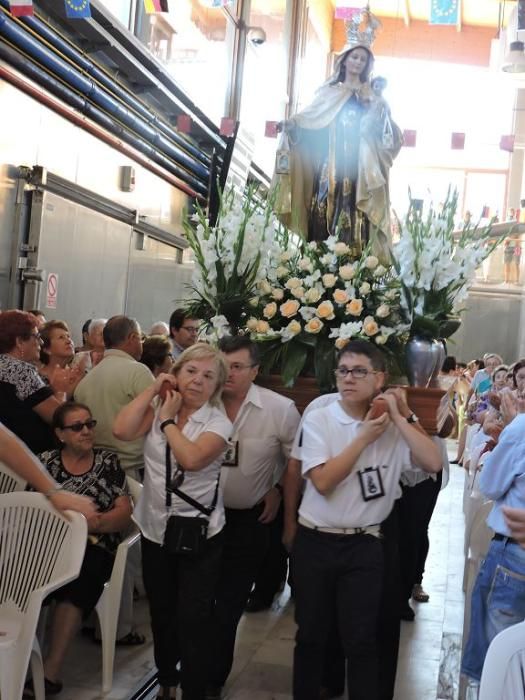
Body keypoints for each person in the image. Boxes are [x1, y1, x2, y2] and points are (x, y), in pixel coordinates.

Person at [292, 340, 441, 700]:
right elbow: (324, 481)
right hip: (316, 541)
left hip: (365, 545)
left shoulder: (393, 425)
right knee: (311, 636)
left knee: (362, 639)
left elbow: (432, 463)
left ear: (379, 378)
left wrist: (402, 414)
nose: (348, 378)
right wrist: (362, 439)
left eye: (360, 371)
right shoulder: (321, 416)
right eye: (343, 370)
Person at [113, 343, 231, 700]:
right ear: (176, 373)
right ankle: (166, 680)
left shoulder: (218, 422)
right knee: (162, 614)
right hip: (155, 529)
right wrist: (153, 390)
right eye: (191, 371)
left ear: (217, 386)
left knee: (193, 619)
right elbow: (121, 430)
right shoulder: (157, 405)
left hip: (199, 534)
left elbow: (192, 458)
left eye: (208, 376)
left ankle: (193, 690)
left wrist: (167, 422)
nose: (198, 380)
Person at [207, 336, 300, 699]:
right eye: (223, 364)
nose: (228, 373)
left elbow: (295, 464)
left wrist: (277, 490)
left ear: (255, 370)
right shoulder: (201, 403)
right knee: (199, 601)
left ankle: (212, 679)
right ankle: (191, 666)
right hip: (200, 517)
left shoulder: (280, 409)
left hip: (248, 521)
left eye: (238, 366)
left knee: (229, 603)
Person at [273, 11, 402, 252]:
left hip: (359, 171)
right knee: (323, 208)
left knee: (355, 214)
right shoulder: (329, 92)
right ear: (344, 59)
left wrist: (379, 109)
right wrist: (293, 126)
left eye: (363, 60)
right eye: (354, 57)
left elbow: (388, 138)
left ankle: (354, 269)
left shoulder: (371, 97)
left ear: (367, 65)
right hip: (329, 168)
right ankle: (318, 266)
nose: (358, 63)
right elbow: (311, 121)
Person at [32, 402, 132, 696]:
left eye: (90, 424)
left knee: (80, 580)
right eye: (77, 427)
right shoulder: (45, 463)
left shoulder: (108, 461)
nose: (87, 431)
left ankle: (49, 671)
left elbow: (124, 512)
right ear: (60, 434)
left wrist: (92, 525)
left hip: (95, 544)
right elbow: (32, 510)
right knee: (17, 572)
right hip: (47, 543)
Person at [461, 394, 525, 684]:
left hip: (515, 554)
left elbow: (490, 484)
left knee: (501, 662)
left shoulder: (520, 429)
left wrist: (512, 427)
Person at [0, 310, 64, 453]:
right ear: (19, 342)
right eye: (36, 336)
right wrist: (61, 390)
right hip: (25, 457)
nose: (40, 342)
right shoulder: (20, 371)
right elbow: (57, 417)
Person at [0, 420, 95, 517]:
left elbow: (4, 443)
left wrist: (53, 493)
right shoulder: (48, 458)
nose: (86, 431)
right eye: (76, 427)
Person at [39, 320, 86, 396]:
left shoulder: (78, 373)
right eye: (61, 337)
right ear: (47, 349)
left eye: (68, 336)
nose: (69, 341)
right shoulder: (38, 378)